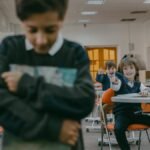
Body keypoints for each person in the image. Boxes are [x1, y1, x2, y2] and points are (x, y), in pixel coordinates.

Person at [0, 0, 95, 150]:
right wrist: (54, 128)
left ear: (61, 20)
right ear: (22, 22)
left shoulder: (74, 53)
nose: (41, 41)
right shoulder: (9, 49)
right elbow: (3, 104)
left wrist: (27, 84)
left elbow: (84, 100)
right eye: (32, 30)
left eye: (50, 30)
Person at [110, 56, 150, 150]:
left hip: (137, 114)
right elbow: (115, 86)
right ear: (122, 71)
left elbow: (146, 90)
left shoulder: (139, 84)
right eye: (125, 68)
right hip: (122, 115)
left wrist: (145, 92)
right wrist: (114, 81)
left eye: (131, 68)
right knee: (118, 129)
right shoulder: (120, 82)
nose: (129, 71)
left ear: (136, 70)